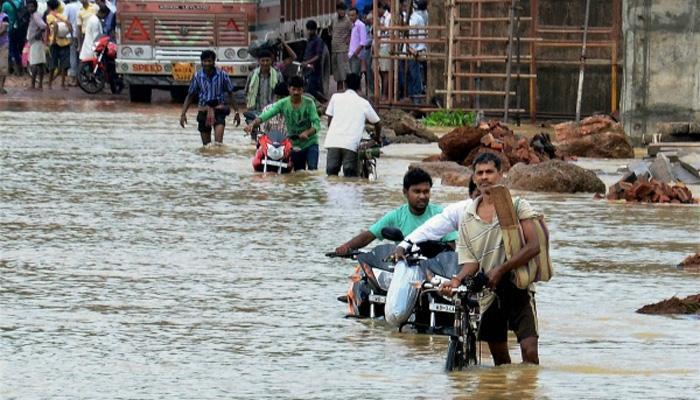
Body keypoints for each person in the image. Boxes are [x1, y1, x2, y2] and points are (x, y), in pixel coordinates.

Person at [440, 152, 542, 366]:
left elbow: (534, 246)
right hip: (489, 294)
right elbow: (471, 262)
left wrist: (502, 269)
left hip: (518, 288)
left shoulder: (516, 206)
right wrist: (456, 280)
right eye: (480, 173)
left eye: (489, 172)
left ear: (500, 175)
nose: (485, 177)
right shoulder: (467, 217)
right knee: (501, 362)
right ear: (474, 178)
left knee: (530, 353)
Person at [335, 167, 457, 255]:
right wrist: (346, 247)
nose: (422, 196)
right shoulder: (396, 216)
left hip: (434, 270)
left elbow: (451, 247)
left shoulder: (440, 214)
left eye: (426, 191)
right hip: (403, 266)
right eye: (417, 191)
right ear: (405, 192)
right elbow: (369, 236)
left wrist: (434, 249)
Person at [244, 75, 321, 171]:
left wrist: (307, 133)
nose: (296, 92)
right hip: (294, 144)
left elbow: (317, 124)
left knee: (312, 170)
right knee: (298, 172)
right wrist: (252, 124)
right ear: (289, 89)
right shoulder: (283, 103)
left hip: (310, 142)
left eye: (299, 90)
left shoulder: (309, 103)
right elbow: (266, 115)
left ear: (303, 90)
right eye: (294, 89)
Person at [324, 72, 380, 177]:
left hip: (333, 141)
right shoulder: (364, 103)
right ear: (359, 86)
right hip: (351, 144)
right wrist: (377, 138)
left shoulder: (335, 97)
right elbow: (377, 122)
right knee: (350, 176)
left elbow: (329, 122)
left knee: (331, 174)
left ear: (345, 84)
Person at [180, 50, 237, 146]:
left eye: (209, 61)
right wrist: (183, 114)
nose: (207, 64)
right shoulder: (197, 76)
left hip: (219, 110)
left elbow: (230, 93)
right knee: (206, 147)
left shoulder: (223, 75)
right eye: (204, 61)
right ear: (201, 62)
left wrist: (236, 112)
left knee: (218, 145)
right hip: (203, 110)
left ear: (214, 62)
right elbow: (190, 95)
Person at [241, 49, 281, 115]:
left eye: (267, 60)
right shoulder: (252, 74)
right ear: (259, 61)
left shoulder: (277, 75)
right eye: (263, 60)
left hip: (272, 111)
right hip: (255, 111)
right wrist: (249, 105)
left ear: (271, 61)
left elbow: (281, 94)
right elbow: (246, 92)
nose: (265, 63)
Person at [46, 0, 73, 90]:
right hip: (65, 42)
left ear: (49, 7)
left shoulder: (49, 16)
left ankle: (49, 84)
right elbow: (69, 24)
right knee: (64, 65)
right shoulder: (62, 15)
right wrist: (71, 37)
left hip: (55, 43)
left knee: (53, 64)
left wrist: (53, 39)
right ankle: (63, 84)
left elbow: (55, 26)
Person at [407, 0, 427, 102]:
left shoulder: (418, 18)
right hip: (408, 51)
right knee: (410, 78)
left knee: (416, 78)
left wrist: (417, 50)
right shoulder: (407, 18)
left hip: (415, 52)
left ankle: (417, 102)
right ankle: (412, 100)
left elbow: (422, 36)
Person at [1, 0, 27, 76]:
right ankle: (20, 69)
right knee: (16, 50)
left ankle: (9, 69)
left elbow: (2, 16)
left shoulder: (5, 4)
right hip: (19, 28)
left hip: (10, 29)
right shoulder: (20, 2)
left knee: (9, 49)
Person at [330, 1, 351, 92]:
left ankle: (347, 92)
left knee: (344, 74)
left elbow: (352, 32)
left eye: (343, 10)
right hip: (334, 50)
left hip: (343, 50)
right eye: (340, 10)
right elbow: (330, 29)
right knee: (337, 74)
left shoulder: (347, 20)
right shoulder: (334, 19)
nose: (341, 12)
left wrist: (348, 40)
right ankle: (339, 92)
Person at [301, 19, 324, 102]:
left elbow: (318, 56)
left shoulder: (318, 41)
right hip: (307, 69)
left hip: (315, 69)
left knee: (311, 89)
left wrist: (307, 62)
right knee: (307, 89)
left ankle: (323, 101)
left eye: (311, 30)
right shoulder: (309, 40)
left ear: (315, 30)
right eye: (308, 29)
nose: (309, 31)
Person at [25, 0, 46, 90]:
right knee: (40, 64)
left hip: (35, 41)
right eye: (29, 6)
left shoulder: (35, 15)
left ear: (35, 7)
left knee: (34, 64)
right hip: (37, 42)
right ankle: (39, 85)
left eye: (31, 6)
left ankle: (33, 85)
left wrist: (38, 33)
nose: (30, 8)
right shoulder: (35, 15)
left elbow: (43, 26)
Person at [63, 0, 81, 85]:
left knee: (72, 56)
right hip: (80, 34)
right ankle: (80, 78)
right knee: (80, 57)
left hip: (71, 35)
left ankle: (73, 78)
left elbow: (65, 20)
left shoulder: (68, 7)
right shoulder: (81, 5)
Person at [377, 2, 391, 99]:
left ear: (381, 8)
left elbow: (388, 31)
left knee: (385, 71)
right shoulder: (382, 18)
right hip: (381, 46)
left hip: (386, 45)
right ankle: (383, 93)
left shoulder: (389, 17)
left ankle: (385, 94)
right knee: (381, 71)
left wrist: (381, 27)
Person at [347, 7, 366, 76]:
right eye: (349, 15)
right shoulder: (352, 25)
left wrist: (355, 54)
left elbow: (363, 42)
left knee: (355, 77)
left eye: (352, 15)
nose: (351, 17)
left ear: (357, 15)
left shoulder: (361, 25)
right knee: (352, 77)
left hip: (356, 56)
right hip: (351, 54)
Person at [0, 8, 8, 94]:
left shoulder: (5, 17)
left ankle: (1, 86)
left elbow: (4, 29)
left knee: (3, 66)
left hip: (3, 44)